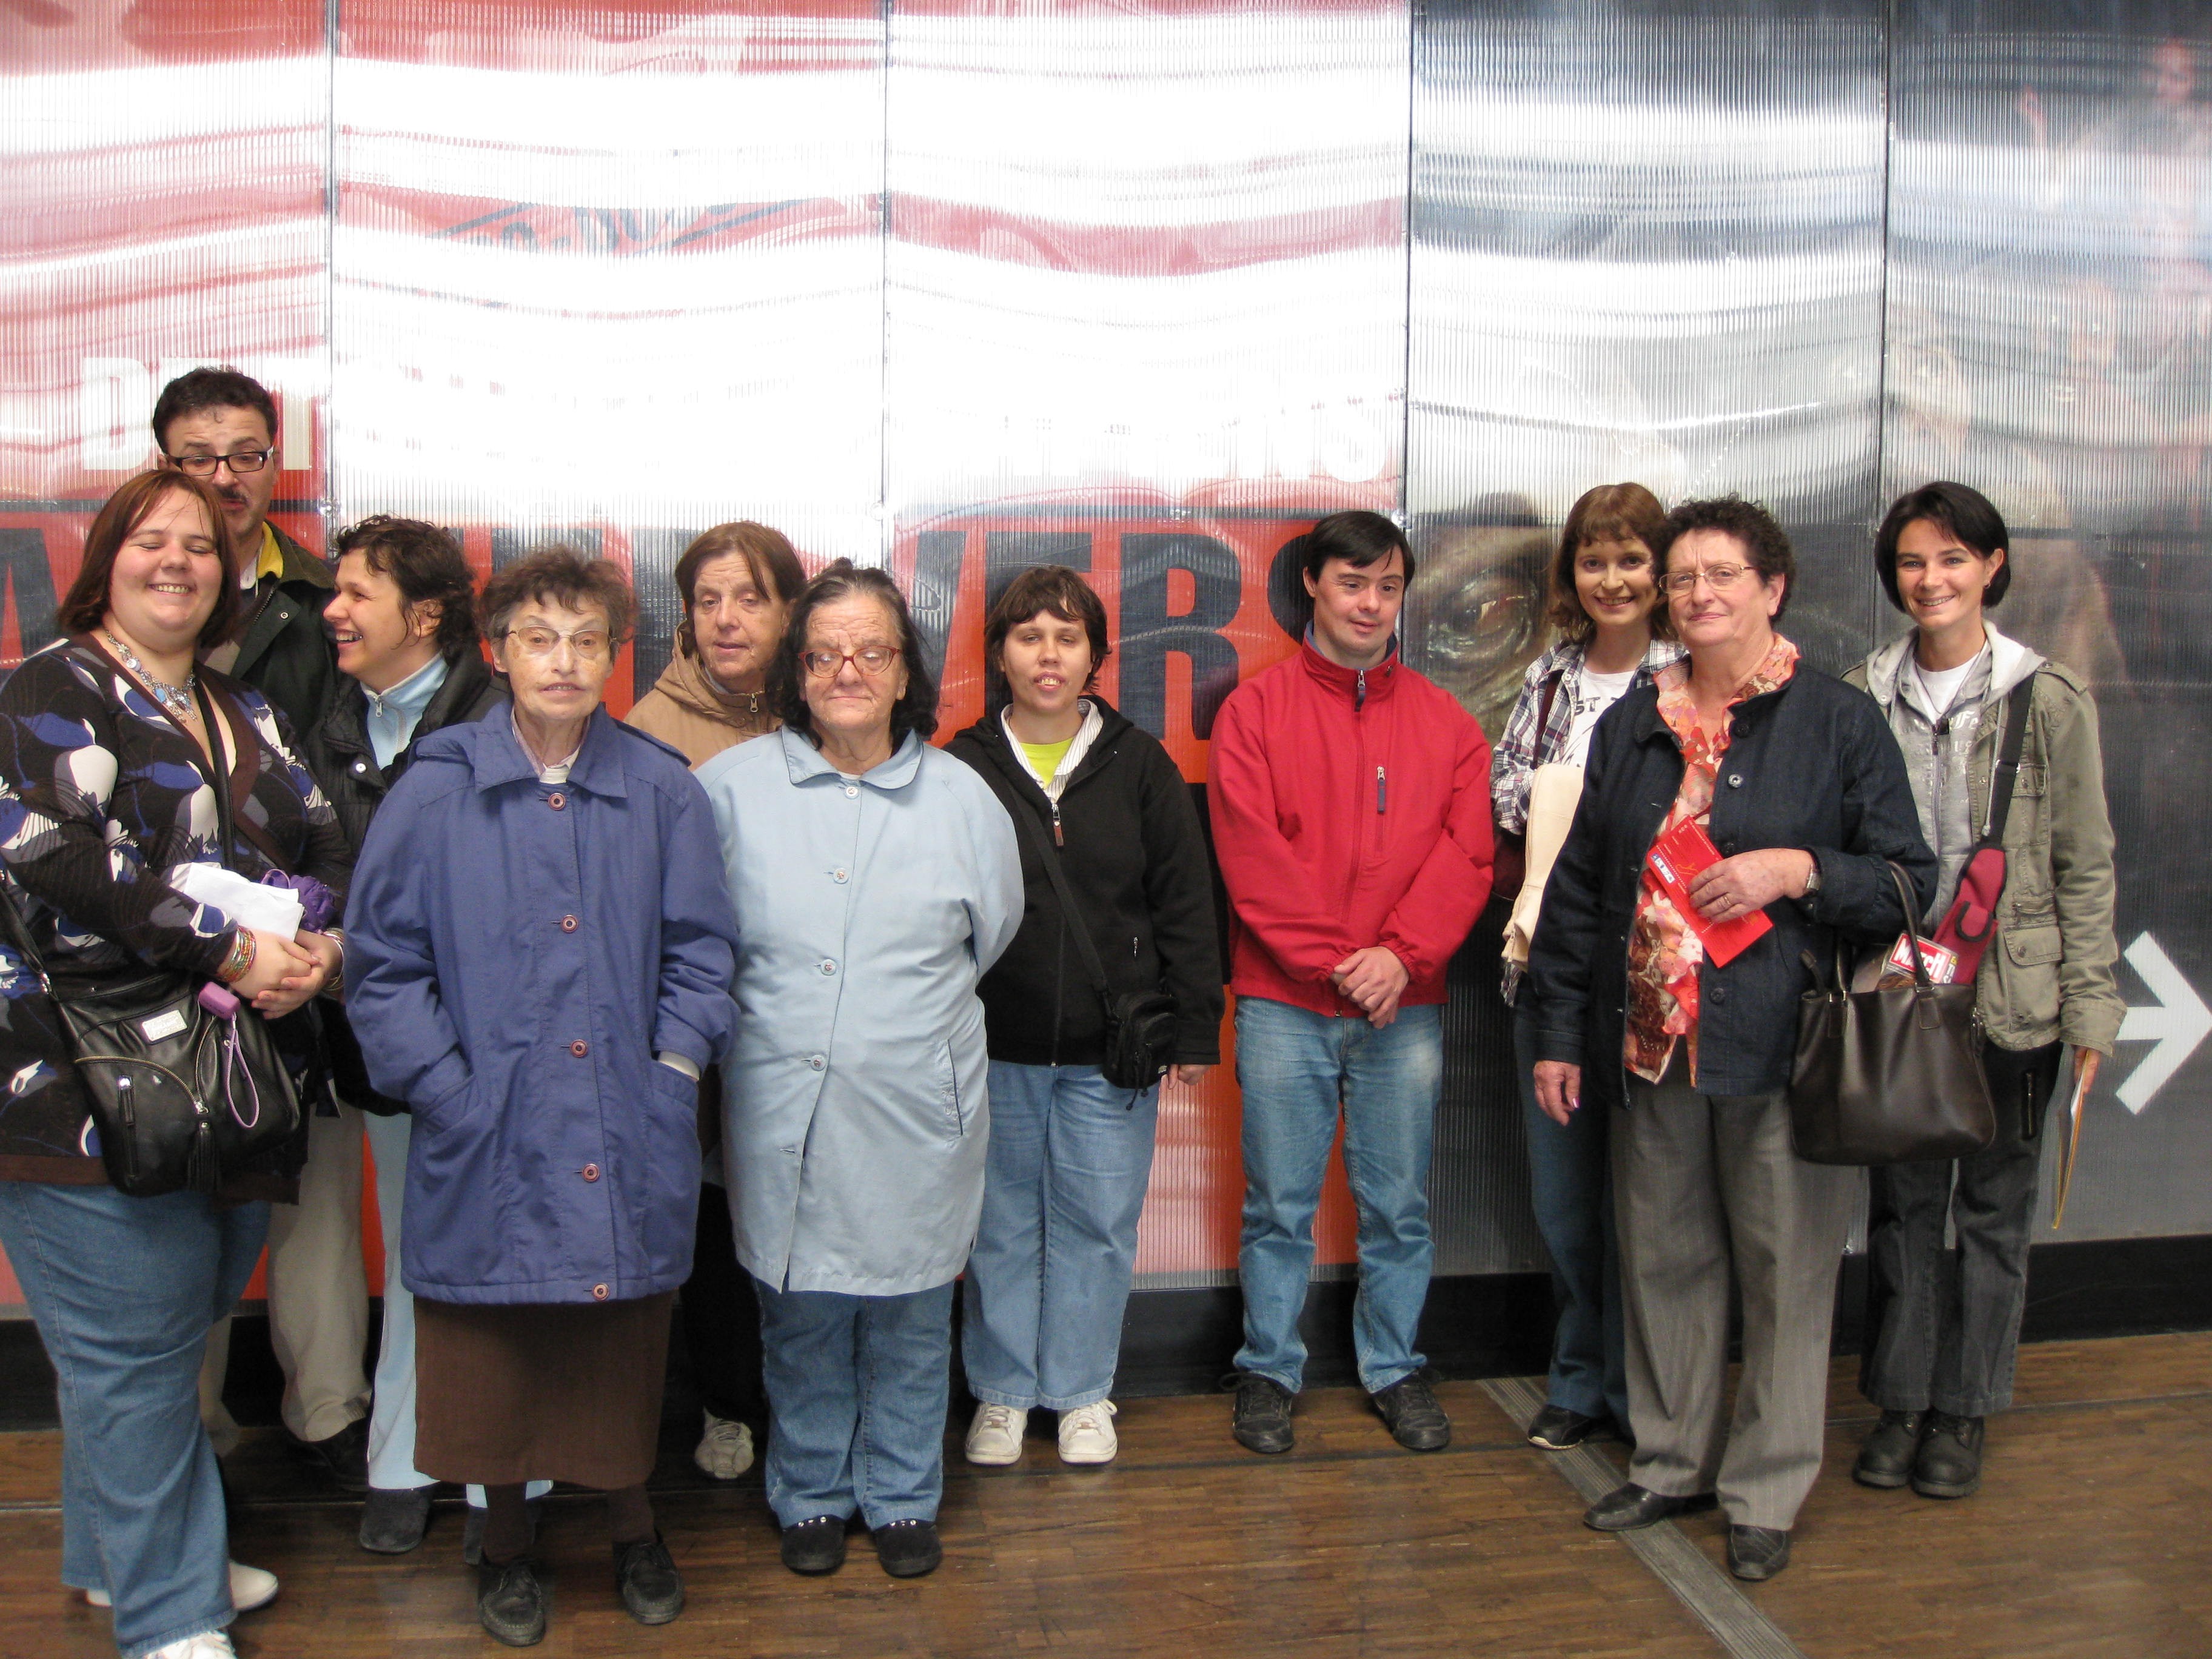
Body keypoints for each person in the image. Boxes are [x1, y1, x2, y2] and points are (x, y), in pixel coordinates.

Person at [1526, 496, 1934, 1583]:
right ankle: (1670, 1463)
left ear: (1773, 588)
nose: (1698, 595)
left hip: (1779, 1052)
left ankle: (1764, 1491)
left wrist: (1798, 871)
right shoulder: (1635, 722)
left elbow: (1910, 881)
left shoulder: (1837, 721)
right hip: (1653, 1046)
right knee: (1664, 1260)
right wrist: (1563, 1033)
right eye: (1684, 578)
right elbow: (1578, 893)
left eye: (1721, 575)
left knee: (1786, 1274)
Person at [343, 548, 740, 1646]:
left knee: (615, 1350)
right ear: (497, 650)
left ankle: (631, 1527)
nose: (562, 662)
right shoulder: (436, 786)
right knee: (494, 1353)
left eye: (586, 640)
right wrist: (445, 1088)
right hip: (487, 1128)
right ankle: (505, 1548)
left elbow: (703, 953)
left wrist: (672, 1070)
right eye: (538, 637)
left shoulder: (661, 788)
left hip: (625, 1120)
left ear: (615, 657)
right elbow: (382, 962)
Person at [0, 469, 349, 1659]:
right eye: (153, 540)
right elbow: (53, 863)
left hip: (229, 1089)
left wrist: (315, 945)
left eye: (202, 546)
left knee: (175, 1319)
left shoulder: (239, 707)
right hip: (78, 1094)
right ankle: (168, 1617)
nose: (180, 562)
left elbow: (318, 842)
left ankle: (110, 1560)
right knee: (134, 1352)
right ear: (106, 560)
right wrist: (228, 949)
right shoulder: (49, 688)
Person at [697, 560, 1020, 1581]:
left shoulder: (963, 798)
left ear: (902, 670)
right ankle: (810, 1494)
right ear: (798, 672)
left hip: (919, 1109)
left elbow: (993, 936)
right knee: (799, 1313)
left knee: (914, 1309)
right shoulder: (729, 791)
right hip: (781, 1104)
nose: (847, 670)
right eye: (825, 652)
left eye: (870, 650)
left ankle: (900, 1493)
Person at [1847, 482, 2122, 1501]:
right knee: (1904, 1209)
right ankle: (1902, 1404)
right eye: (1915, 562)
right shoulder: (1861, 691)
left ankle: (1966, 1413)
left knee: (1996, 1212)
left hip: (2019, 998)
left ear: (1992, 568)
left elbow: (2086, 862)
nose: (1933, 580)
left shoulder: (2047, 698)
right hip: (1901, 995)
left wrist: (2091, 1009)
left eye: (1955, 560)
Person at [1209, 510, 1494, 1457]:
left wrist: (1399, 958)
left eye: (1387, 587)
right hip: (1285, 1003)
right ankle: (1267, 1371)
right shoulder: (1254, 713)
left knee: (1398, 1205)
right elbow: (1253, 860)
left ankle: (1395, 1368)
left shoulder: (1449, 726)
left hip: (1401, 1010)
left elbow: (1468, 855)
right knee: (1279, 1205)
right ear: (1313, 591)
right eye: (1352, 584)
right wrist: (1341, 960)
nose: (1370, 604)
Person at [947, 566, 1222, 1468]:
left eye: (1068, 638)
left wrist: (1192, 1026)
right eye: (1029, 636)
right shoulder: (964, 765)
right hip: (995, 1049)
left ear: (1098, 658)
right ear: (1000, 655)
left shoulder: (1141, 764)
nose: (1048, 654)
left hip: (1116, 1052)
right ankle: (1000, 1393)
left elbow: (1185, 902)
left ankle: (1080, 1394)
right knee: (1001, 1226)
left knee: (1099, 1225)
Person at [153, 367, 367, 1492]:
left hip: (298, 951)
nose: (224, 480)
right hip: (157, 961)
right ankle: (182, 1436)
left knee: (315, 1194)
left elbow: (343, 773)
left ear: (275, 462)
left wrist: (316, 934)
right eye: (198, 457)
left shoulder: (330, 600)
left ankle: (329, 1417)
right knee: (174, 1211)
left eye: (244, 455)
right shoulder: (112, 616)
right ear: (162, 463)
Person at [303, 516, 511, 1555]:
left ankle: (496, 1474)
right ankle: (402, 1454)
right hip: (378, 1036)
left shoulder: (502, 717)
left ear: (424, 614)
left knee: (491, 1258)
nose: (332, 612)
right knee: (413, 1248)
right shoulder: (330, 717)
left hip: (495, 1044)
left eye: (355, 594)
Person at [1490, 483, 1681, 1453]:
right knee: (1566, 1202)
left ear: (1663, 572)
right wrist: (1586, 797)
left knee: (1650, 1204)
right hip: (1550, 970)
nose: (1613, 579)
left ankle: (1644, 1390)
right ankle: (1578, 1376)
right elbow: (1508, 794)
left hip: (1658, 981)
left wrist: (1581, 805)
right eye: (1594, 560)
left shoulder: (1686, 678)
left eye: (1632, 560)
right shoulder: (1552, 679)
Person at [625, 520, 805, 1485]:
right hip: (699, 1023)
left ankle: (811, 1400)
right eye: (708, 600)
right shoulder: (647, 733)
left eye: (751, 598)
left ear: (789, 611)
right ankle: (729, 1402)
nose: (728, 620)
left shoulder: (826, 711)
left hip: (806, 1020)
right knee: (712, 1217)